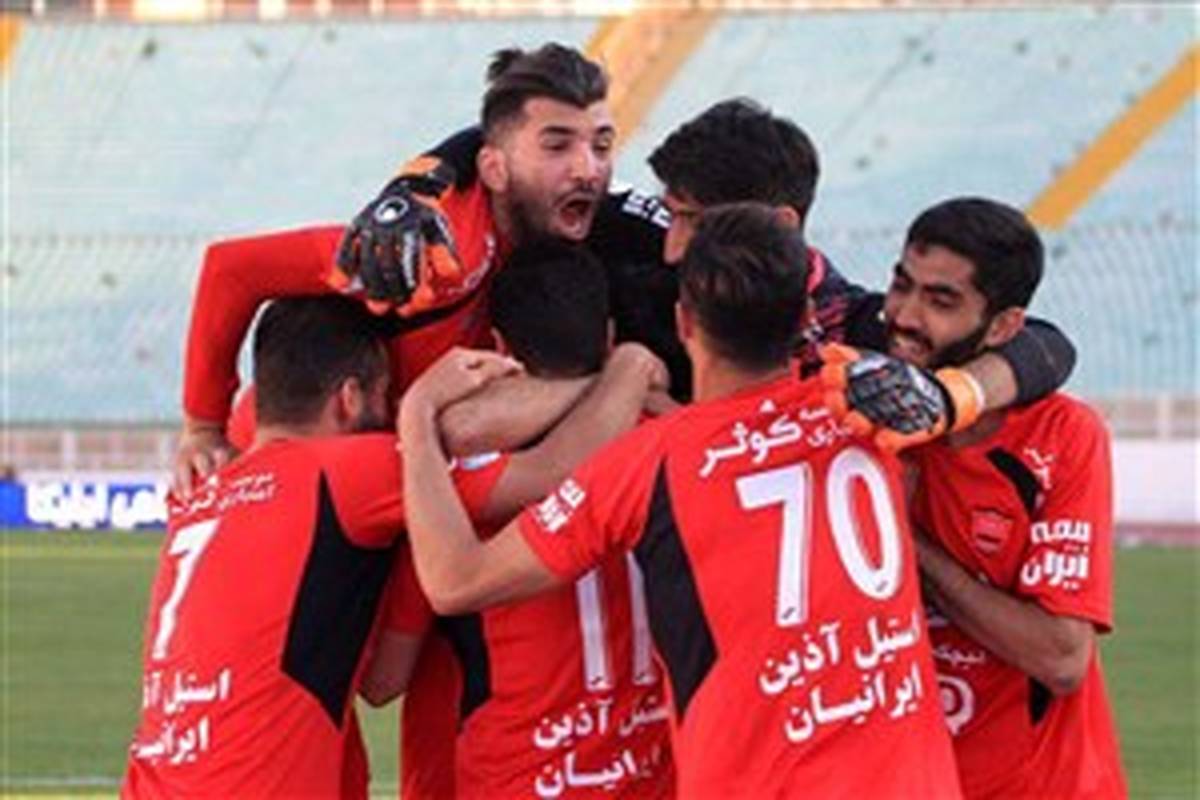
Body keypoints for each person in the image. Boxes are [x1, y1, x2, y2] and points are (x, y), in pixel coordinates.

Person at [396, 204, 962, 798]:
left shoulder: (651, 462)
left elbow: (456, 581)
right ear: (803, 317)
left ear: (684, 321)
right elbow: (1018, 358)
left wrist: (416, 417)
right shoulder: (865, 402)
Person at [121, 296, 510, 798]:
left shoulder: (200, 493)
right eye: (384, 397)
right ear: (350, 398)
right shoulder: (350, 471)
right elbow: (534, 470)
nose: (389, 416)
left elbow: (381, 679)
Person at [366, 241, 675, 799]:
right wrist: (625, 374)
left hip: (522, 776)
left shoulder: (450, 485)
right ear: (608, 337)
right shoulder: (673, 445)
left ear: (500, 348)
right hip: (650, 774)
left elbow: (383, 679)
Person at [843, 197, 1127, 798]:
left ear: (1003, 327)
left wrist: (904, 539)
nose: (905, 316)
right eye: (902, 284)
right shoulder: (857, 412)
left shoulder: (1060, 436)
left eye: (941, 301)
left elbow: (1061, 657)